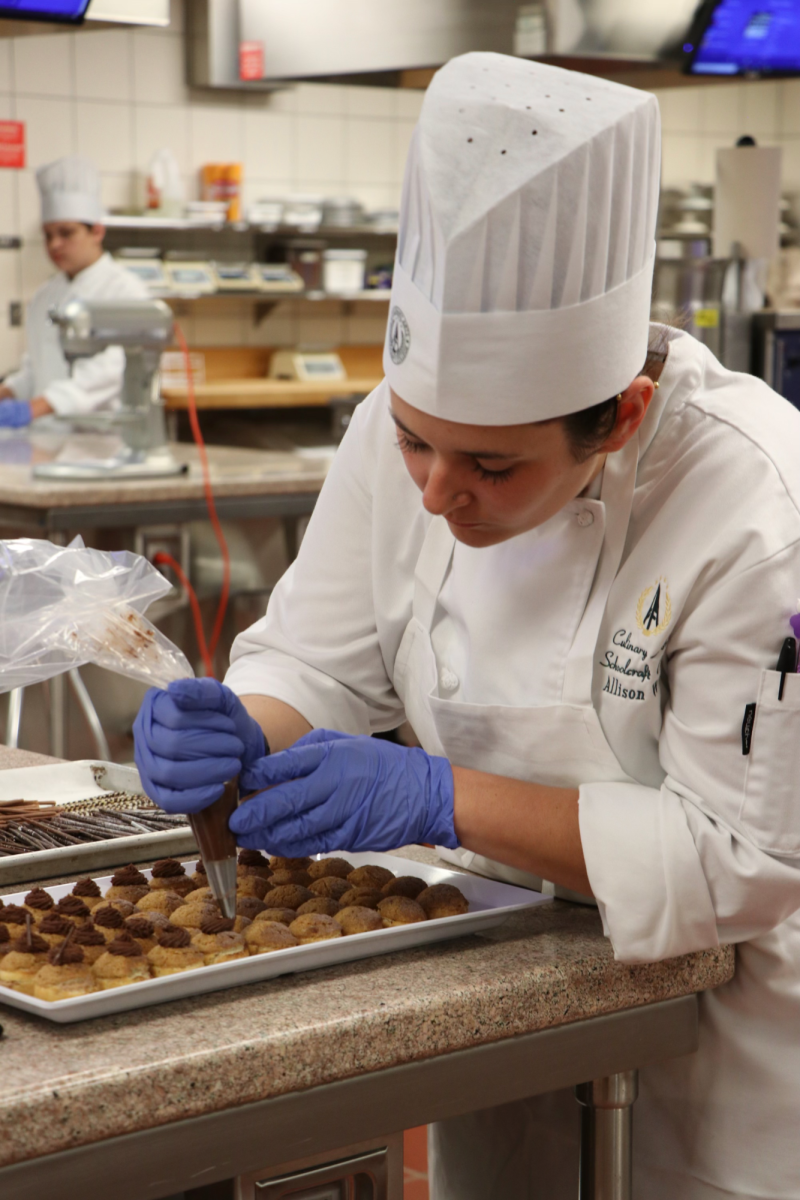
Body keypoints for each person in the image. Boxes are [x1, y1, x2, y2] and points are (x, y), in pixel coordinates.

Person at [133, 53, 800, 1200]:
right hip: (492, 994)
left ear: (619, 416)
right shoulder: (401, 437)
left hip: (716, 1049)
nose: (436, 493)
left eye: (491, 465)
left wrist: (434, 796)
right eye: (412, 442)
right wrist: (238, 723)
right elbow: (316, 654)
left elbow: (742, 860)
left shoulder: (755, 505)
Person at [0, 155, 148, 428]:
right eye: (48, 235)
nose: (54, 244)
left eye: (66, 233)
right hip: (46, 438)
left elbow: (110, 371)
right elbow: (36, 368)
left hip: (100, 441)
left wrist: (34, 409)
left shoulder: (125, 291)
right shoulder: (45, 295)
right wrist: (7, 394)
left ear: (97, 232)